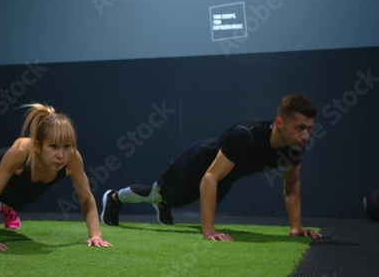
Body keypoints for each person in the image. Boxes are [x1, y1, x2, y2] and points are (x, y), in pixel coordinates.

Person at [101, 94, 322, 241]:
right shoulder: (245, 136)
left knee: (173, 198)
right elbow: (209, 178)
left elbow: (292, 185)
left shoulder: (294, 148)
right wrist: (209, 232)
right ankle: (113, 198)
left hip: (222, 178)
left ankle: (164, 203)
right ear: (280, 123)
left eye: (310, 129)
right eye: (300, 128)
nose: (305, 136)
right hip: (193, 165)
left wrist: (296, 227)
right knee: (155, 194)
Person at [0, 103, 112, 250]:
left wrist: (95, 235)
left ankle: (7, 205)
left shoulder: (73, 159)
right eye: (54, 146)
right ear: (37, 146)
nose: (61, 155)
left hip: (25, 185)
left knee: (21, 198)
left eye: (67, 146)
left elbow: (86, 198)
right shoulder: (19, 153)